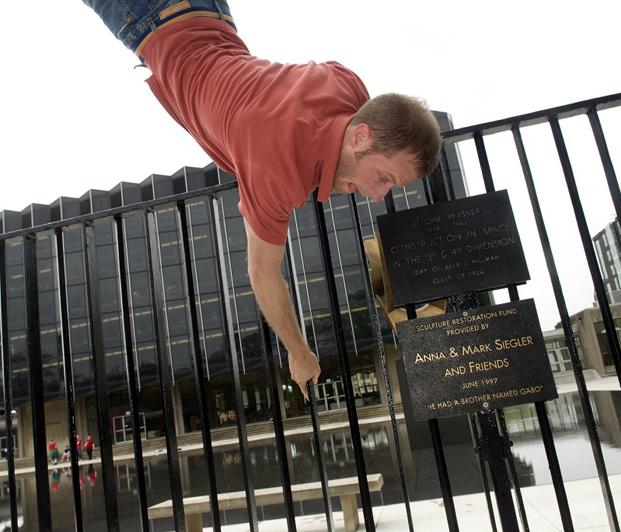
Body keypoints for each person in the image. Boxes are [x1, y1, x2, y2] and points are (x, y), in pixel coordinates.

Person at [80, 1, 443, 399]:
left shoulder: (347, 86)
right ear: (360, 137)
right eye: (383, 178)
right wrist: (299, 352)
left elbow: (364, 105)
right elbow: (263, 275)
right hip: (151, 14)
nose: (376, 196)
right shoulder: (276, 167)